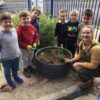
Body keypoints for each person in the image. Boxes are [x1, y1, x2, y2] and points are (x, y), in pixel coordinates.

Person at [56, 25, 100, 100]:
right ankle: (86, 75)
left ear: (92, 34)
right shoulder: (82, 43)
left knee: (79, 69)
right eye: (83, 33)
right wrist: (71, 60)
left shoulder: (96, 48)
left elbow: (93, 66)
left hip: (97, 69)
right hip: (89, 62)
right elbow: (80, 55)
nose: (85, 35)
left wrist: (79, 63)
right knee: (72, 63)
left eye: (88, 33)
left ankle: (88, 81)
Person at [0, 12, 23, 89]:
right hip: (6, 58)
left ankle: (15, 77)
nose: (8, 23)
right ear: (1, 23)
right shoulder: (0, 34)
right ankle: (9, 81)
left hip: (16, 55)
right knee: (7, 71)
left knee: (15, 68)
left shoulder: (14, 30)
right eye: (5, 22)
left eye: (10, 21)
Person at [17, 10, 39, 78]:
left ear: (30, 18)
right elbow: (19, 41)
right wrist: (26, 46)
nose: (26, 20)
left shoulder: (32, 27)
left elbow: (36, 36)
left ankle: (29, 66)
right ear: (20, 20)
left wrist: (35, 43)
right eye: (24, 19)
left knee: (31, 57)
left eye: (27, 18)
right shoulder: (19, 30)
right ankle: (25, 69)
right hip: (24, 49)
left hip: (32, 47)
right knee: (25, 59)